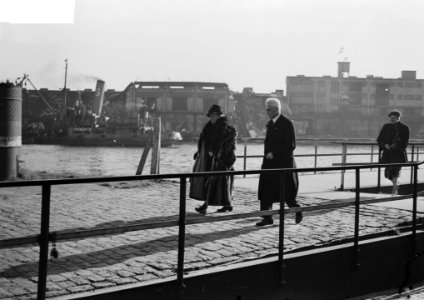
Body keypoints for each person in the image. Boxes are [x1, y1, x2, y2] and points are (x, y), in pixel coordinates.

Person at [257, 98, 302, 226]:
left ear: (276, 109)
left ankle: (297, 210)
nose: (267, 112)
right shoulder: (270, 124)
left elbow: (291, 144)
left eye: (269, 110)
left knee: (286, 194)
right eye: (266, 110)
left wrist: (275, 153)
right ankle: (267, 217)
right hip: (269, 164)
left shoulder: (287, 123)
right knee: (265, 192)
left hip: (283, 164)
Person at [189, 104, 237, 214]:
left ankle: (205, 206)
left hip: (222, 159)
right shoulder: (210, 127)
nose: (211, 118)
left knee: (214, 182)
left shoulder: (224, 127)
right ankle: (227, 204)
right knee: (221, 183)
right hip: (213, 159)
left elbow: (227, 145)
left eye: (213, 115)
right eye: (210, 116)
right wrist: (200, 152)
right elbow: (205, 141)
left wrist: (216, 153)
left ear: (218, 115)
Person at [377, 110, 410, 196]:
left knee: (395, 171)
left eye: (393, 118)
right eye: (390, 118)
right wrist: (385, 145)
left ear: (399, 118)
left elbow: (405, 141)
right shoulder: (386, 126)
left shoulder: (404, 127)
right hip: (387, 154)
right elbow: (379, 139)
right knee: (388, 173)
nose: (391, 119)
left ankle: (394, 190)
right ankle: (396, 185)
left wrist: (395, 146)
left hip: (398, 154)